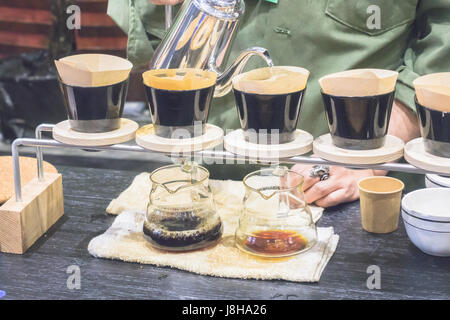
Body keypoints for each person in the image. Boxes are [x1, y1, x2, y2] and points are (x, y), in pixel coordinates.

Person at [107, 0, 450, 207]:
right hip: (198, 183)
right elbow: (151, 34)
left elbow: (442, 46)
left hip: (346, 194)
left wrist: (370, 158)